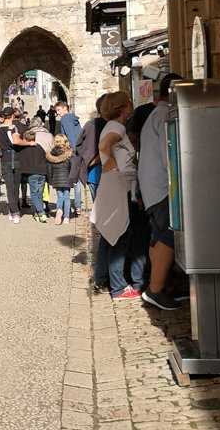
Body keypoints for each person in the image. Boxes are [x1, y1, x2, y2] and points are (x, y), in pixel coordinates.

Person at [90, 91, 147, 301]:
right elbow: (104, 145)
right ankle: (119, 287)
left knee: (111, 236)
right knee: (119, 235)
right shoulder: (118, 127)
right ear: (122, 107)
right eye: (129, 103)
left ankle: (104, 278)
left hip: (117, 186)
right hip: (118, 187)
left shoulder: (113, 127)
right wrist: (110, 161)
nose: (133, 105)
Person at [138, 73, 184, 310]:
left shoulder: (154, 114)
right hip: (163, 186)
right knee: (169, 234)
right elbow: (169, 152)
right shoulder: (166, 115)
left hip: (150, 187)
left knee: (158, 236)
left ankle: (162, 286)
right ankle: (155, 289)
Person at [69, 94, 109, 291]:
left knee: (106, 228)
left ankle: (105, 274)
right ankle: (103, 275)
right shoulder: (98, 125)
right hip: (100, 177)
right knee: (108, 229)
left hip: (97, 178)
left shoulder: (92, 124)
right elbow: (92, 154)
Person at [0, 107, 34, 224]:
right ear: (12, 116)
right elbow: (16, 142)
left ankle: (13, 211)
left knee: (9, 187)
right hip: (16, 157)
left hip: (4, 159)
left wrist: (3, 144)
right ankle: (15, 212)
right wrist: (29, 143)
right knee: (15, 186)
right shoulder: (14, 128)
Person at [54, 101, 82, 215]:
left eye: (58, 110)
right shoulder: (74, 118)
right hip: (78, 151)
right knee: (77, 180)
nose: (57, 113)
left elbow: (69, 135)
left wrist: (70, 150)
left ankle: (66, 206)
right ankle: (78, 206)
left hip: (71, 151)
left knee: (68, 178)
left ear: (65, 108)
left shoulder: (65, 119)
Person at [21, 129, 49, 223]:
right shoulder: (39, 147)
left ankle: (41, 212)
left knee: (34, 193)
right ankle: (37, 213)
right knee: (39, 193)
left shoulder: (24, 149)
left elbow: (22, 161)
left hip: (32, 173)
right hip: (42, 172)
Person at [48, 134, 74, 225]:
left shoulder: (51, 154)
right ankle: (66, 217)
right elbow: (72, 167)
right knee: (67, 197)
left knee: (60, 197)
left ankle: (59, 210)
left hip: (56, 178)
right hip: (67, 178)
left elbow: (49, 168)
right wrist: (73, 178)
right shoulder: (69, 153)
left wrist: (50, 180)